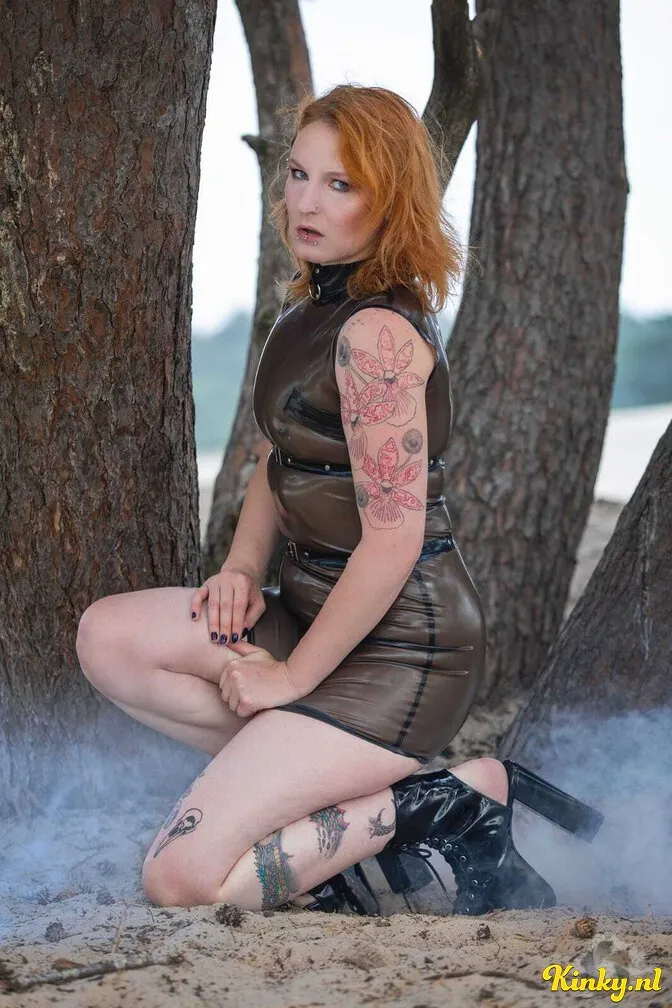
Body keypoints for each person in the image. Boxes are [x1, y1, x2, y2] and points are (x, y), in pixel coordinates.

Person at [76, 84, 602, 916]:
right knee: (108, 637)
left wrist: (290, 679)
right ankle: (314, 773)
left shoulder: (376, 336)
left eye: (340, 185)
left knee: (179, 880)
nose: (306, 203)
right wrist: (241, 568)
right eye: (298, 174)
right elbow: (279, 456)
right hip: (312, 616)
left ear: (389, 203)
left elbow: (393, 545)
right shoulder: (307, 313)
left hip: (400, 655)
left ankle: (448, 802)